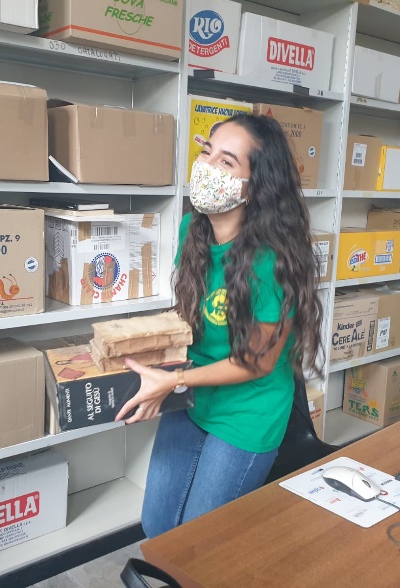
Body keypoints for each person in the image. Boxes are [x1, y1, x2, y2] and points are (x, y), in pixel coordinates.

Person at [114, 113, 324, 538]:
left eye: (227, 162)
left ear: (256, 187)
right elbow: (189, 318)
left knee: (199, 538)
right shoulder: (192, 230)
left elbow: (257, 362)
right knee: (157, 526)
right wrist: (146, 358)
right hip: (192, 396)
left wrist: (174, 381)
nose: (207, 167)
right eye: (207, 153)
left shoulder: (272, 260)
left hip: (247, 411)